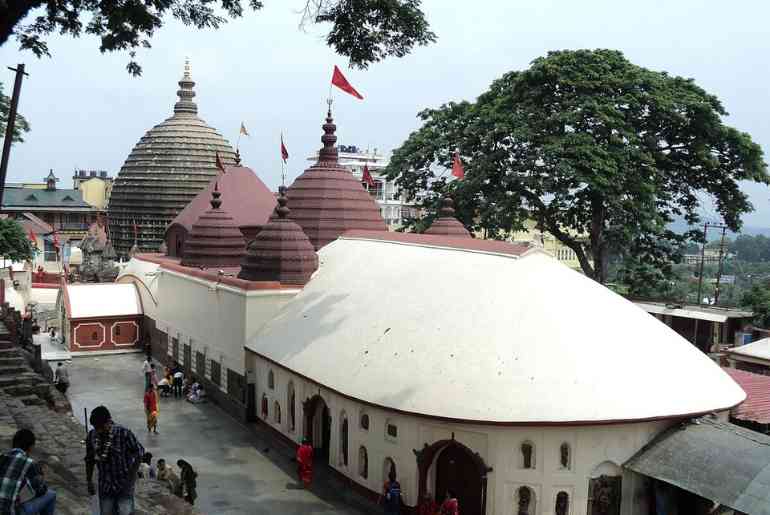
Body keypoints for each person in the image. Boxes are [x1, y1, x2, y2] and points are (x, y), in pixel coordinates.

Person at [85, 405, 145, 515]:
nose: (98, 431)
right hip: (105, 486)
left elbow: (139, 452)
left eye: (101, 427)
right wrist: (89, 481)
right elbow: (89, 459)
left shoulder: (124, 433)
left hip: (124, 485)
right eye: (95, 427)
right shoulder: (92, 436)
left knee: (125, 512)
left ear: (109, 422)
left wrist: (131, 476)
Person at [0, 428, 57, 515]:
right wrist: (41, 477)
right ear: (31, 447)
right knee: (51, 494)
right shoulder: (29, 463)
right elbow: (41, 491)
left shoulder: (2, 456)